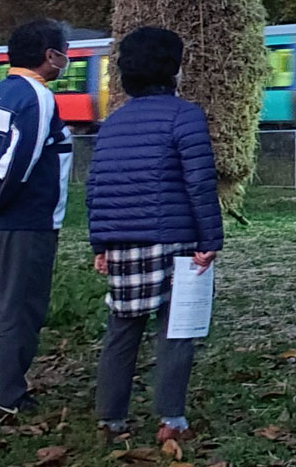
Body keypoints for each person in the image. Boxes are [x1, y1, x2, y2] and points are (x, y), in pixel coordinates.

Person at [86, 27, 223, 442]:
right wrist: (210, 241)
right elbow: (200, 183)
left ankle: (110, 418)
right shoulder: (185, 116)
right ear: (174, 69)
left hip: (121, 242)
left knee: (122, 327)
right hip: (176, 240)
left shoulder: (111, 124)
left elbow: (96, 185)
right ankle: (170, 418)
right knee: (176, 328)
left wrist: (100, 244)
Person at [0, 19, 73, 416]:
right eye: (64, 51)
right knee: (20, 309)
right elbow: (19, 161)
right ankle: (8, 398)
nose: (66, 59)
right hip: (26, 222)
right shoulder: (37, 97)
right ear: (49, 56)